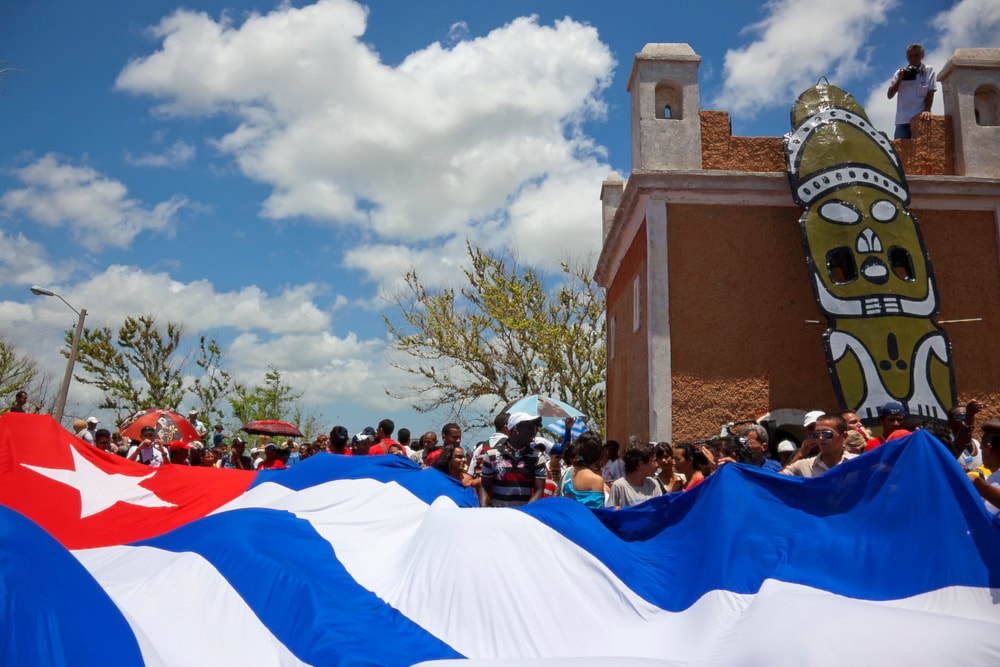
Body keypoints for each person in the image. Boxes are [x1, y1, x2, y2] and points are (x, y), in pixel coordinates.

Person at [480, 412, 546, 507]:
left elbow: (539, 489)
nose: (534, 432)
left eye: (536, 428)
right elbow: (485, 486)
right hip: (497, 515)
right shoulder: (492, 455)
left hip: (523, 516)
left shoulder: (537, 457)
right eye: (530, 428)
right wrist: (483, 510)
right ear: (516, 429)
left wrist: (525, 512)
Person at [781, 413, 857, 477]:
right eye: (816, 434)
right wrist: (800, 454)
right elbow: (776, 480)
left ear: (844, 436)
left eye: (827, 434)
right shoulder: (803, 466)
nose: (820, 438)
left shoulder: (858, 463)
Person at [887, 43, 936, 140]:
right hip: (903, 119)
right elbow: (889, 95)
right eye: (910, 56)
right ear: (907, 58)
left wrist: (927, 110)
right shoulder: (900, 73)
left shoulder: (928, 71)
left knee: (924, 148)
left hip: (920, 118)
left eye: (916, 55)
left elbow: (931, 92)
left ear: (922, 55)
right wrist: (900, 80)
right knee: (900, 152)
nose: (913, 59)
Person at [607, 442, 662, 509]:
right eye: (654, 461)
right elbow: (610, 513)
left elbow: (660, 511)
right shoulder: (619, 486)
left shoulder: (653, 484)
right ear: (641, 464)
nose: (657, 465)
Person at [563, 431, 609, 508]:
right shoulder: (596, 480)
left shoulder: (567, 473)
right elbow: (597, 513)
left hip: (569, 519)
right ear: (598, 454)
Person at [967, 419, 1000, 517]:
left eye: (981, 448)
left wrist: (976, 482)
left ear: (988, 447)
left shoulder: (996, 478)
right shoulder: (994, 475)